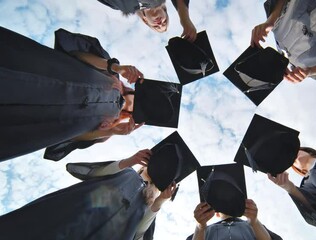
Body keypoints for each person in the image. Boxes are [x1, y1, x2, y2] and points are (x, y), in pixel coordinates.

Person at [0, 27, 143, 161]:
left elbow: (72, 137)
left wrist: (113, 131)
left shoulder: (111, 125)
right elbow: (76, 55)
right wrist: (115, 67)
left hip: (45, 117)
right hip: (48, 73)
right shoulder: (113, 76)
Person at [0, 149, 176, 240]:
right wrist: (130, 160)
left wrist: (159, 202)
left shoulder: (148, 206)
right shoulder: (127, 172)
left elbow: (138, 234)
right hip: (75, 214)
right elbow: (95, 174)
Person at [97, 0, 197, 41]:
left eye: (156, 27)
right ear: (164, 10)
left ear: (146, 21)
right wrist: (185, 19)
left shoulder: (120, 5)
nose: (160, 24)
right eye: (165, 22)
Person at [188, 200, 282, 240]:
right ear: (216, 213)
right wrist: (200, 226)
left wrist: (254, 222)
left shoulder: (253, 226)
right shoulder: (204, 230)